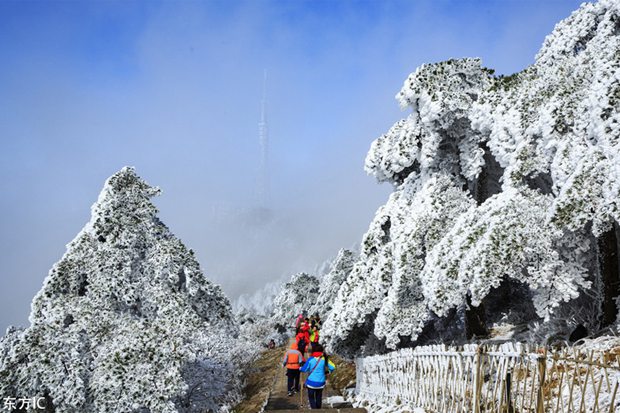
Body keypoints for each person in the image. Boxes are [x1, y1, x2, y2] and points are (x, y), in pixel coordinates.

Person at [300, 343, 335, 409]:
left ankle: (314, 410)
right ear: (322, 351)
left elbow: (304, 369)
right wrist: (328, 372)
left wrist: (300, 368)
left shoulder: (310, 359)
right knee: (319, 397)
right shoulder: (325, 359)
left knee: (311, 397)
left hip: (311, 383)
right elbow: (333, 367)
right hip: (321, 383)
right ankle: (318, 410)